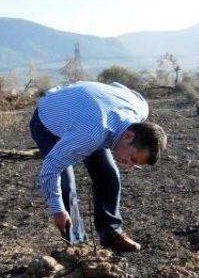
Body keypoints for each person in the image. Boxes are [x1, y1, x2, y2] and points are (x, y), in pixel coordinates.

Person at [30, 81, 167, 252]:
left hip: (86, 117)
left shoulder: (139, 108)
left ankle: (111, 234)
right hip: (48, 121)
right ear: (128, 136)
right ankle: (77, 245)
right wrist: (57, 209)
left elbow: (119, 86)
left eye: (135, 163)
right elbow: (51, 167)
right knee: (66, 184)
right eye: (132, 158)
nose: (129, 165)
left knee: (109, 176)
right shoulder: (90, 135)